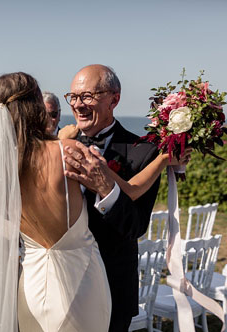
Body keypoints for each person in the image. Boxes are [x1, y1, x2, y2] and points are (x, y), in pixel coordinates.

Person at [0, 72, 113, 332]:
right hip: (81, 282)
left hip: (30, 284)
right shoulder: (69, 152)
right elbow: (126, 192)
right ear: (35, 107)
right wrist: (163, 160)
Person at [58, 64, 163, 332]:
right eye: (73, 97)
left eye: (88, 96)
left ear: (114, 99)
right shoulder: (56, 147)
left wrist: (106, 188)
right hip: (61, 281)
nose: (78, 105)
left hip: (112, 284)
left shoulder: (142, 152)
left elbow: (136, 227)